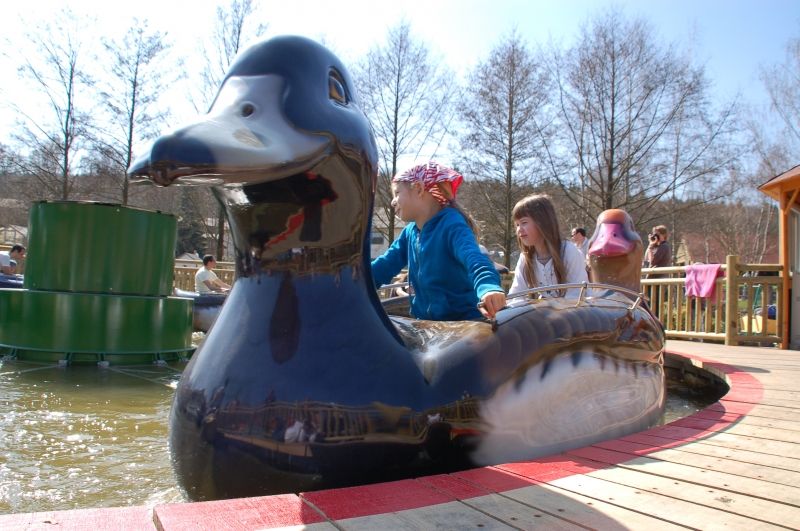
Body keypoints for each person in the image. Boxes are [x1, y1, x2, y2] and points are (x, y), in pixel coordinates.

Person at [371, 161, 506, 320]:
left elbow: (474, 258)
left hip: (463, 323)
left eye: (397, 193)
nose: (393, 201)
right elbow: (385, 265)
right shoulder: (410, 232)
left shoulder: (451, 224)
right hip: (427, 323)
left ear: (419, 189)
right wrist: (356, 282)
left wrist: (488, 287)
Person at [508, 194, 588, 299]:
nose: (519, 229)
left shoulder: (568, 251)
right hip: (546, 313)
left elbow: (577, 295)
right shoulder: (526, 258)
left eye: (524, 222)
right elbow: (516, 295)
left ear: (542, 222)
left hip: (577, 313)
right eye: (517, 224)